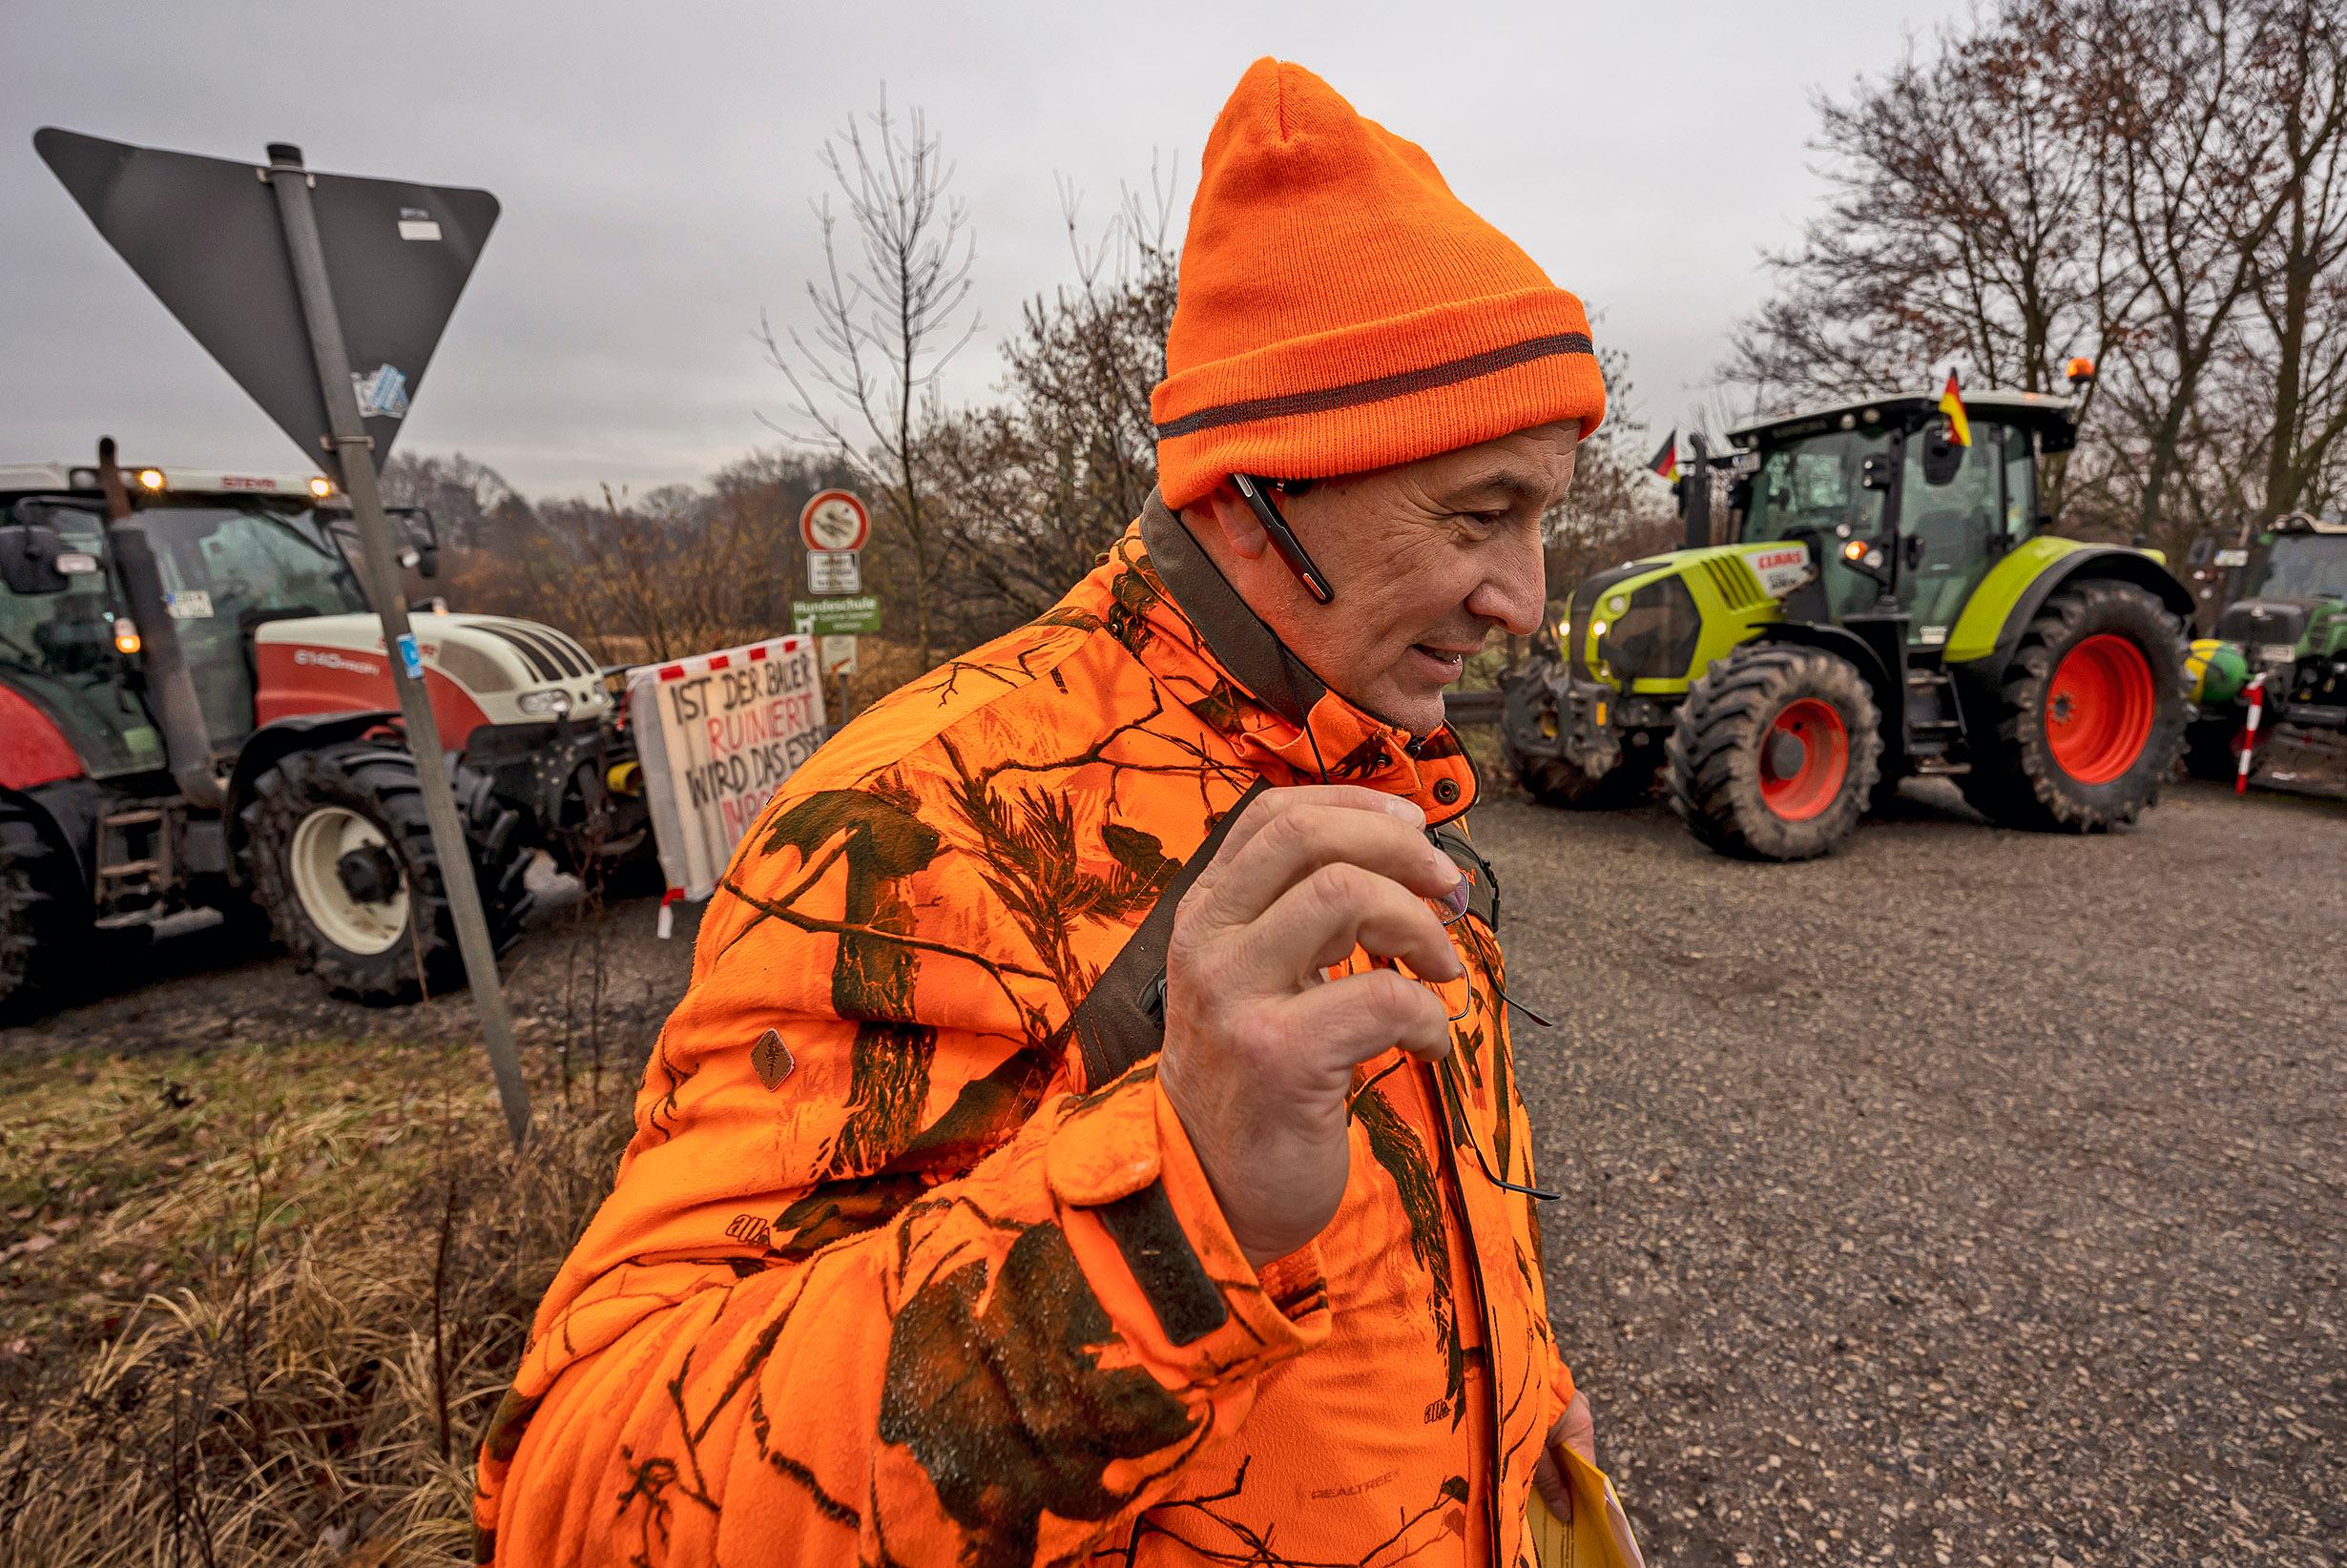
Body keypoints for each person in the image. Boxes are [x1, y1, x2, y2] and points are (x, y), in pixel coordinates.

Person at [475, 56, 1607, 1567]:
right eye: (1478, 515)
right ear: (1254, 489)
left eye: (1546, 513)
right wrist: (1176, 1209)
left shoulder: (1366, 754)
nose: (1526, 602)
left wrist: (1518, 1400)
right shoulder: (922, 826)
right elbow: (577, 1497)